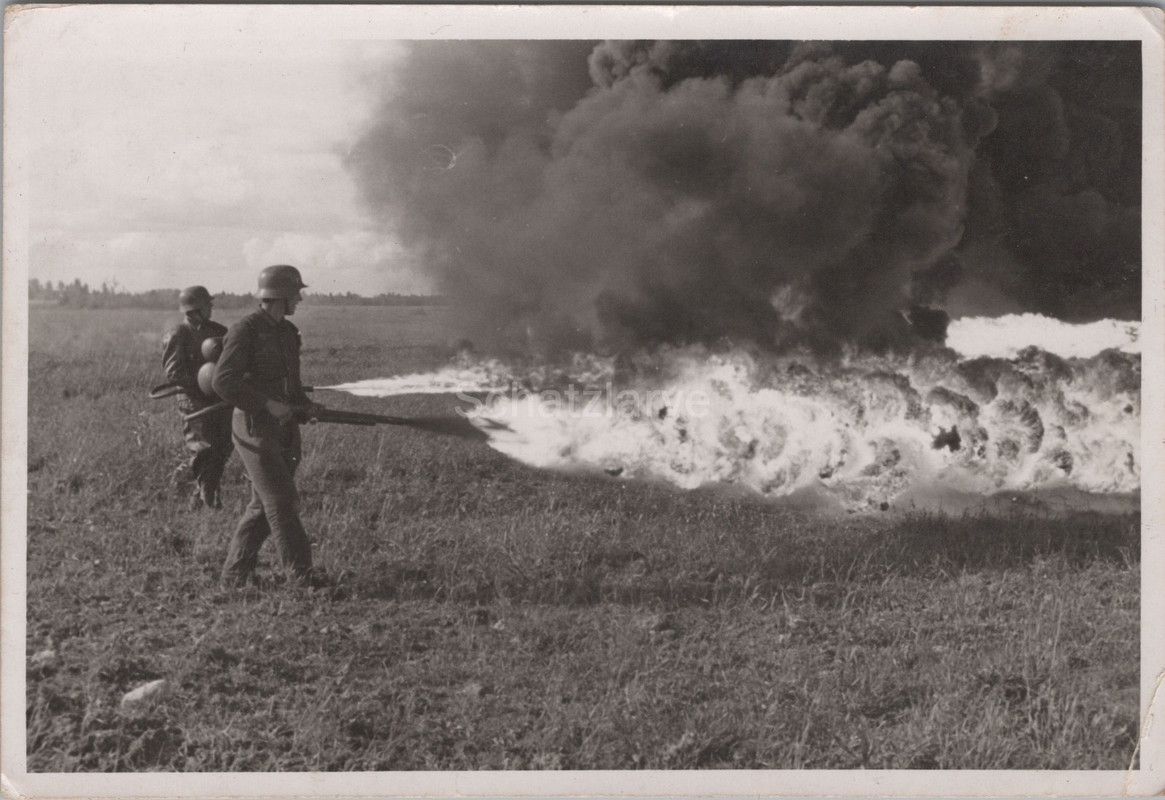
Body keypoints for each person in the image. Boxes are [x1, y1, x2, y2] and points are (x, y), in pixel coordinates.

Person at [213, 265, 329, 589]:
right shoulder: (244, 330)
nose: (300, 300)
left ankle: (234, 577)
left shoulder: (288, 334)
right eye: (297, 293)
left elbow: (291, 384)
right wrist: (266, 404)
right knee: (281, 501)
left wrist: (304, 406)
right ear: (280, 296)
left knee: (262, 506)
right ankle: (302, 580)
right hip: (254, 429)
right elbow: (223, 381)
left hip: (284, 430)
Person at [162, 285, 233, 509]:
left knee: (223, 447)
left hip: (219, 397)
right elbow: (174, 373)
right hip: (193, 399)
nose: (211, 308)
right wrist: (201, 383)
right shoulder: (178, 334)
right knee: (204, 448)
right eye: (207, 304)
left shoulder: (217, 330)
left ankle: (201, 495)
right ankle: (210, 500)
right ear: (195, 309)